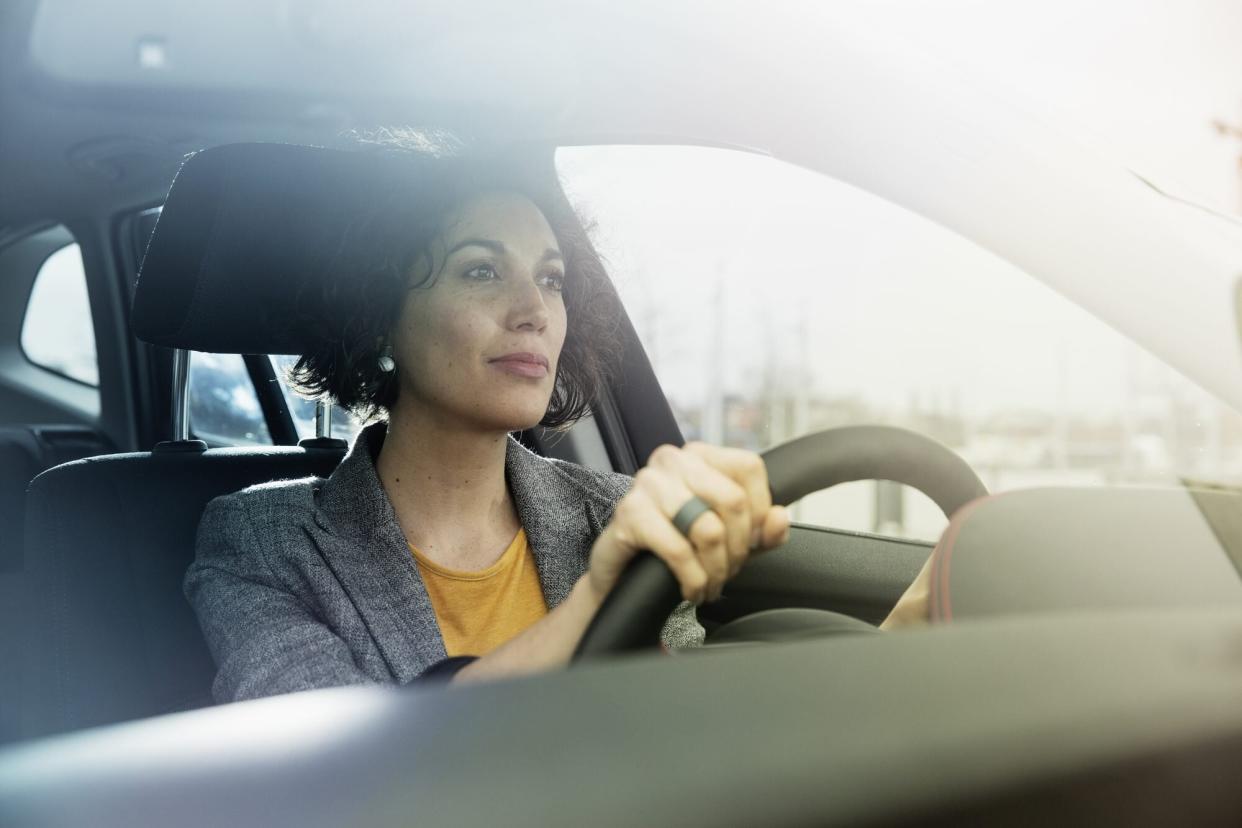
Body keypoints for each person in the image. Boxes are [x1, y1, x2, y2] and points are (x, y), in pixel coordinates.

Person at [184, 134, 791, 702]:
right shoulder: (259, 543)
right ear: (379, 317)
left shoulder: (616, 513)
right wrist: (597, 606)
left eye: (551, 280)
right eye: (481, 270)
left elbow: (679, 749)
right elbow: (332, 773)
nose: (535, 310)